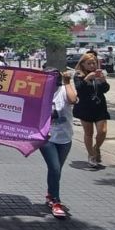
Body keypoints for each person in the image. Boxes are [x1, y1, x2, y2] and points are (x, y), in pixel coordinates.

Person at [40, 69, 77, 219]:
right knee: (54, 168)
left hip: (65, 137)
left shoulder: (63, 90)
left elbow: (73, 100)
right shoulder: (39, 91)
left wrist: (68, 82)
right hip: (46, 137)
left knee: (57, 170)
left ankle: (50, 194)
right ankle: (56, 201)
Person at [72, 53, 111, 168]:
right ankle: (91, 155)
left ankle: (96, 147)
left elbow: (105, 89)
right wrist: (87, 78)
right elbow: (80, 89)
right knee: (89, 133)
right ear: (83, 64)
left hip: (99, 107)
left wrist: (103, 80)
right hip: (85, 107)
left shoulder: (99, 74)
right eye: (89, 63)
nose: (92, 65)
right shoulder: (78, 75)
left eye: (93, 63)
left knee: (102, 131)